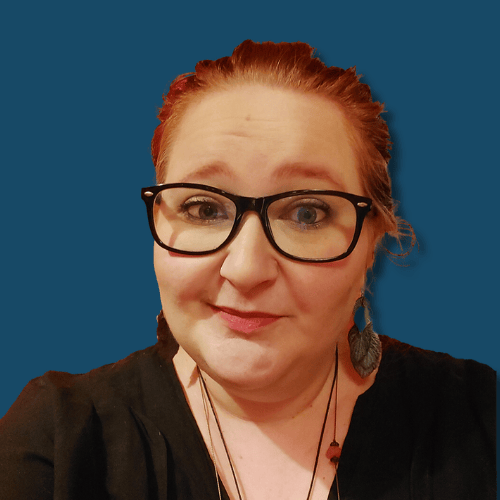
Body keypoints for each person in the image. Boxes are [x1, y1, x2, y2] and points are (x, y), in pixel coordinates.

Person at [0, 40, 495, 500]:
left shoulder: (479, 417)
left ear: (372, 243)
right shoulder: (58, 441)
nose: (246, 269)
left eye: (308, 213)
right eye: (203, 209)